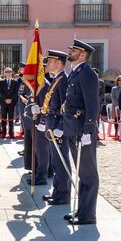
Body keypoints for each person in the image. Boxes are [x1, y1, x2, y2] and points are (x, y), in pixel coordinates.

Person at [62, 39, 99, 225]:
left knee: (88, 172)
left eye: (74, 50)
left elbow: (93, 105)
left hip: (83, 128)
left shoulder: (87, 74)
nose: (70, 52)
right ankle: (82, 210)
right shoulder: (75, 73)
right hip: (74, 127)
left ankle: (88, 214)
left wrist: (89, 130)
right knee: (81, 172)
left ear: (83, 55)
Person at [40, 50, 72, 205]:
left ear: (59, 63)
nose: (47, 64)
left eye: (50, 61)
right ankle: (57, 191)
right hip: (52, 121)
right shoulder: (56, 79)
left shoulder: (63, 80)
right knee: (56, 160)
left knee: (61, 160)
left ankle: (63, 194)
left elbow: (66, 106)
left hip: (58, 123)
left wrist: (60, 126)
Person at [0, 67, 19, 139]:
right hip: (3, 103)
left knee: (11, 119)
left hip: (12, 102)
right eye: (6, 71)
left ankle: (11, 133)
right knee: (3, 118)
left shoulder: (15, 81)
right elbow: (0, 92)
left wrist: (10, 99)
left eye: (9, 71)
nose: (8, 73)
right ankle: (3, 133)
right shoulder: (1, 81)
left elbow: (16, 92)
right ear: (4, 73)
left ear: (12, 73)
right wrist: (5, 99)